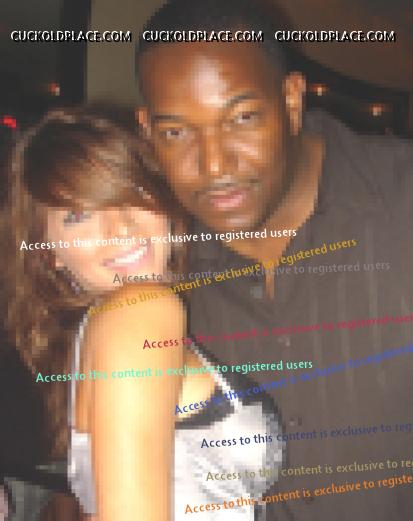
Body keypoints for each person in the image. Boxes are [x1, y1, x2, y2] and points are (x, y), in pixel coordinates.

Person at [136, 1, 413, 520]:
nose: (214, 165)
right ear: (148, 130)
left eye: (241, 118)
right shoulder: (152, 263)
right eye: (177, 132)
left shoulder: (401, 203)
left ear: (290, 101)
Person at [5, 106, 282, 521]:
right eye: (79, 216)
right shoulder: (142, 312)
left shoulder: (107, 325)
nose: (120, 227)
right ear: (50, 253)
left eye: (129, 190)